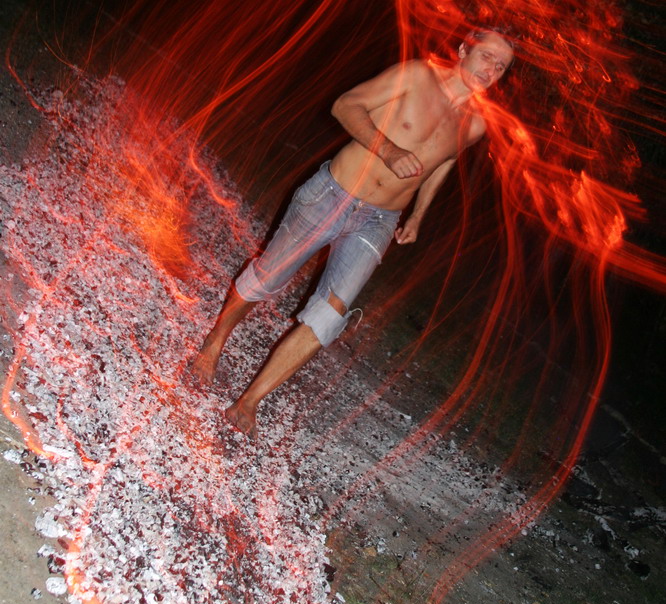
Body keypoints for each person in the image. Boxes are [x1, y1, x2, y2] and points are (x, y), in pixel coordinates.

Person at [192, 28, 515, 437]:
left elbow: (444, 162)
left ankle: (249, 401)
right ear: (465, 49)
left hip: (380, 220)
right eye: (487, 56)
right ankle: (215, 341)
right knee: (268, 276)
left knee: (330, 316)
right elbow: (345, 106)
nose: (492, 69)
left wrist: (418, 214)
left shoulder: (477, 124)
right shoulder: (418, 75)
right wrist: (389, 150)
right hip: (334, 193)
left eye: (501, 66)